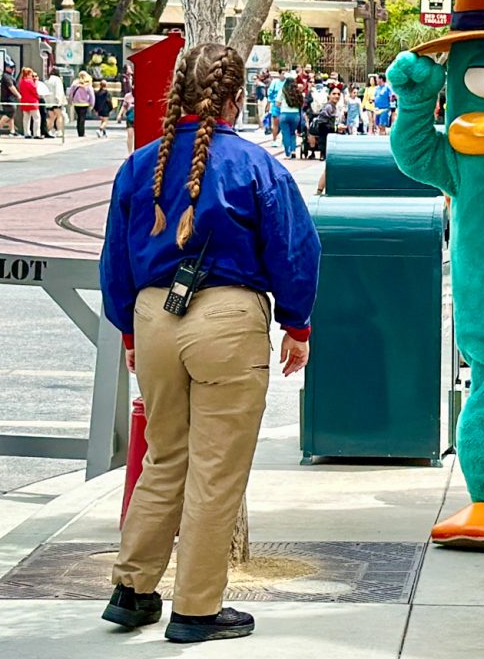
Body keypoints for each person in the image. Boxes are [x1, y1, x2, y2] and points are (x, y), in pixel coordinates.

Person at [99, 43, 320, 644]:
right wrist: (296, 326)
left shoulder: (139, 165)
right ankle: (196, 607)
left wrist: (129, 330)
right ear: (236, 96)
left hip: (153, 317)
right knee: (216, 471)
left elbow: (115, 260)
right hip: (226, 317)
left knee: (166, 456)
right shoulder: (256, 165)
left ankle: (133, 588)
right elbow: (295, 250)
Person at [279, 75, 306, 157]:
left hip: (284, 114)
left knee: (285, 133)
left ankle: (288, 152)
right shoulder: (297, 92)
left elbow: (277, 103)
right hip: (295, 115)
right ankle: (293, 150)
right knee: (292, 133)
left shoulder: (283, 91)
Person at [69, 71, 95, 138]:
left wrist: (70, 100)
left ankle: (79, 131)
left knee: (79, 117)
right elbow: (91, 95)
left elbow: (71, 93)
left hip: (76, 103)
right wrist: (92, 104)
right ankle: (82, 133)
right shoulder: (87, 84)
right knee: (82, 118)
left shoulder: (75, 83)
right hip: (84, 103)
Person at [17, 68, 41, 139]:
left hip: (24, 102)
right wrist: (36, 82)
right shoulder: (30, 82)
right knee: (36, 118)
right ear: (28, 74)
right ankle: (36, 133)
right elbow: (35, 90)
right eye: (31, 74)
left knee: (26, 118)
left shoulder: (22, 82)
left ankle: (27, 133)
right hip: (32, 102)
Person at [43, 68, 67, 138]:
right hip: (56, 101)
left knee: (51, 117)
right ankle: (59, 131)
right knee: (59, 116)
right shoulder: (57, 80)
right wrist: (59, 100)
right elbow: (58, 91)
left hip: (48, 101)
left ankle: (49, 130)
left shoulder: (47, 80)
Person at [121, 89, 138, 154]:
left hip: (139, 117)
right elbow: (124, 106)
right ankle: (130, 153)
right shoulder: (128, 96)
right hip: (130, 117)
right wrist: (120, 114)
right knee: (130, 134)